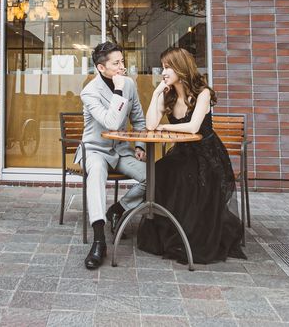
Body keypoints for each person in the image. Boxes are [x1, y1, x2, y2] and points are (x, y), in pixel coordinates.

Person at [137, 47, 246, 264]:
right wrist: (157, 93)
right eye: (163, 67)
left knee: (184, 178)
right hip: (183, 153)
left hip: (206, 155)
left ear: (181, 68)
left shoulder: (202, 93)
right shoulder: (168, 95)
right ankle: (167, 230)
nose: (163, 72)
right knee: (159, 171)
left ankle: (188, 233)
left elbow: (194, 127)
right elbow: (150, 124)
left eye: (167, 67)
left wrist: (164, 128)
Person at [79, 41, 147, 270]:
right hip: (96, 150)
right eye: (116, 63)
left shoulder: (129, 84)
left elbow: (138, 118)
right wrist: (118, 90)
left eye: (122, 62)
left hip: (121, 151)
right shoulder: (89, 92)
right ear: (101, 67)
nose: (122, 67)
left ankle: (118, 209)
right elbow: (111, 122)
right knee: (96, 172)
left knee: (154, 177)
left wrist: (140, 145)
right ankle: (99, 240)